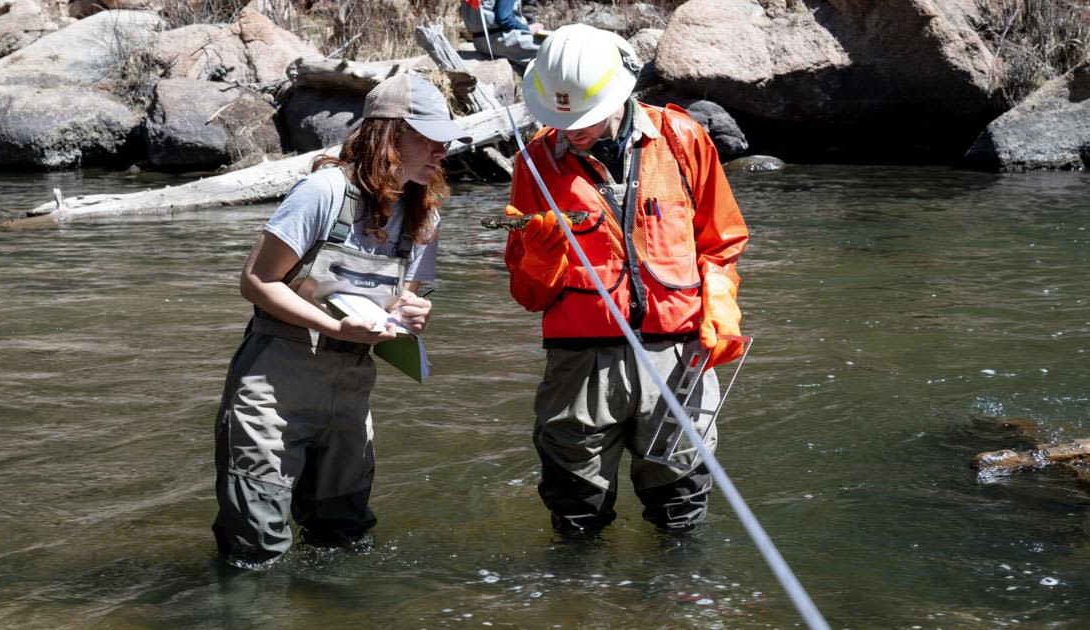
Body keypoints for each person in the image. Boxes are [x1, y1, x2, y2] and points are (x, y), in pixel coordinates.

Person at [212, 73, 471, 567]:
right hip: (275, 386)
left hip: (351, 393)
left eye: (445, 139)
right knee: (256, 548)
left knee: (344, 539)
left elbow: (397, 305)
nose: (443, 150)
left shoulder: (425, 217)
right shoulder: (323, 191)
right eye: (430, 138)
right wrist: (334, 328)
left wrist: (408, 313)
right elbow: (256, 281)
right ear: (390, 134)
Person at [503, 24, 750, 534]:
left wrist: (720, 305)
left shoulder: (684, 140)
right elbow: (528, 295)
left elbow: (720, 242)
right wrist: (540, 258)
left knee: (682, 505)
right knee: (575, 512)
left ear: (621, 95)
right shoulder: (533, 163)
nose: (572, 131)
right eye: (560, 119)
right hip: (579, 368)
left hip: (679, 355)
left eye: (586, 120)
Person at [461, 0, 544, 67]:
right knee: (549, 49)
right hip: (499, 38)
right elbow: (504, 19)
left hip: (479, 40)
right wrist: (528, 28)